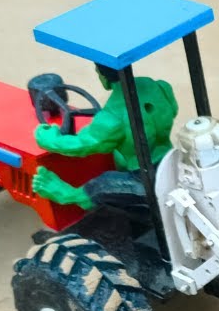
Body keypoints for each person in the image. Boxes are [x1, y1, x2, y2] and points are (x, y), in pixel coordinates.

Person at [31, 64, 179, 209]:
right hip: (171, 161)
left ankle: (67, 194)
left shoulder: (112, 116)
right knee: (120, 154)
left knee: (102, 185)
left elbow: (82, 145)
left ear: (103, 76)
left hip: (145, 180)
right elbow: (173, 109)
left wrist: (49, 139)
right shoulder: (159, 87)